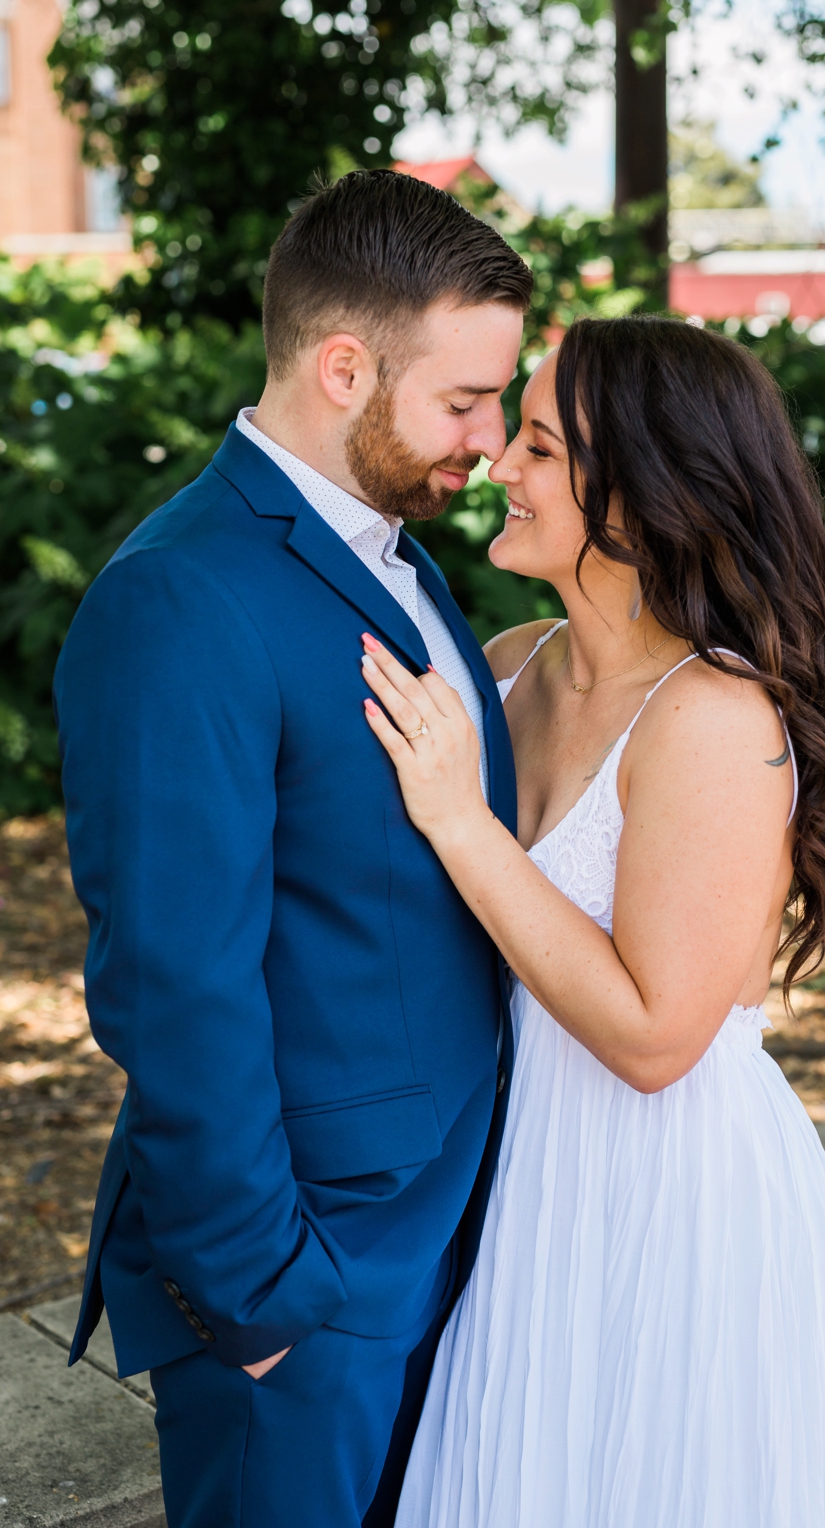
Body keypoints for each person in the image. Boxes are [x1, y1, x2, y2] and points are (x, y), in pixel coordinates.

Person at [363, 314, 825, 1528]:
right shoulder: (502, 664)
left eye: (544, 448)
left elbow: (659, 1036)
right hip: (510, 1182)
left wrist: (466, 823)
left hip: (667, 1211)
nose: (501, 463)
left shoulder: (715, 717)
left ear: (647, 493)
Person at [54, 170, 532, 1527]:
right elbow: (170, 980)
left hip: (439, 1233)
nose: (491, 441)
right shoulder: (180, 598)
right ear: (341, 368)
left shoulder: (400, 551)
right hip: (307, 1285)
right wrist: (261, 1298)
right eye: (464, 401)